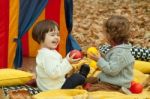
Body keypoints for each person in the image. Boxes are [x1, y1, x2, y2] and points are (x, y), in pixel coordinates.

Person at [32, 20, 90, 91]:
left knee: (72, 76)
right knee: (78, 77)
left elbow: (56, 65)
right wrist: (67, 62)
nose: (56, 37)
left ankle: (80, 75)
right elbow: (54, 74)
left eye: (58, 34)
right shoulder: (47, 55)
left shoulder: (46, 52)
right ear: (40, 38)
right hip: (55, 88)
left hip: (51, 84)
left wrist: (67, 61)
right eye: (52, 35)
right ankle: (82, 76)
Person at [88, 15, 135, 93]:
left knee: (92, 90)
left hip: (115, 84)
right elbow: (111, 61)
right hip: (108, 79)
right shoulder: (118, 48)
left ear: (110, 36)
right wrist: (101, 56)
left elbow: (111, 70)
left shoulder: (120, 53)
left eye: (105, 33)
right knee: (87, 81)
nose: (104, 35)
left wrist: (99, 60)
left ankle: (121, 91)